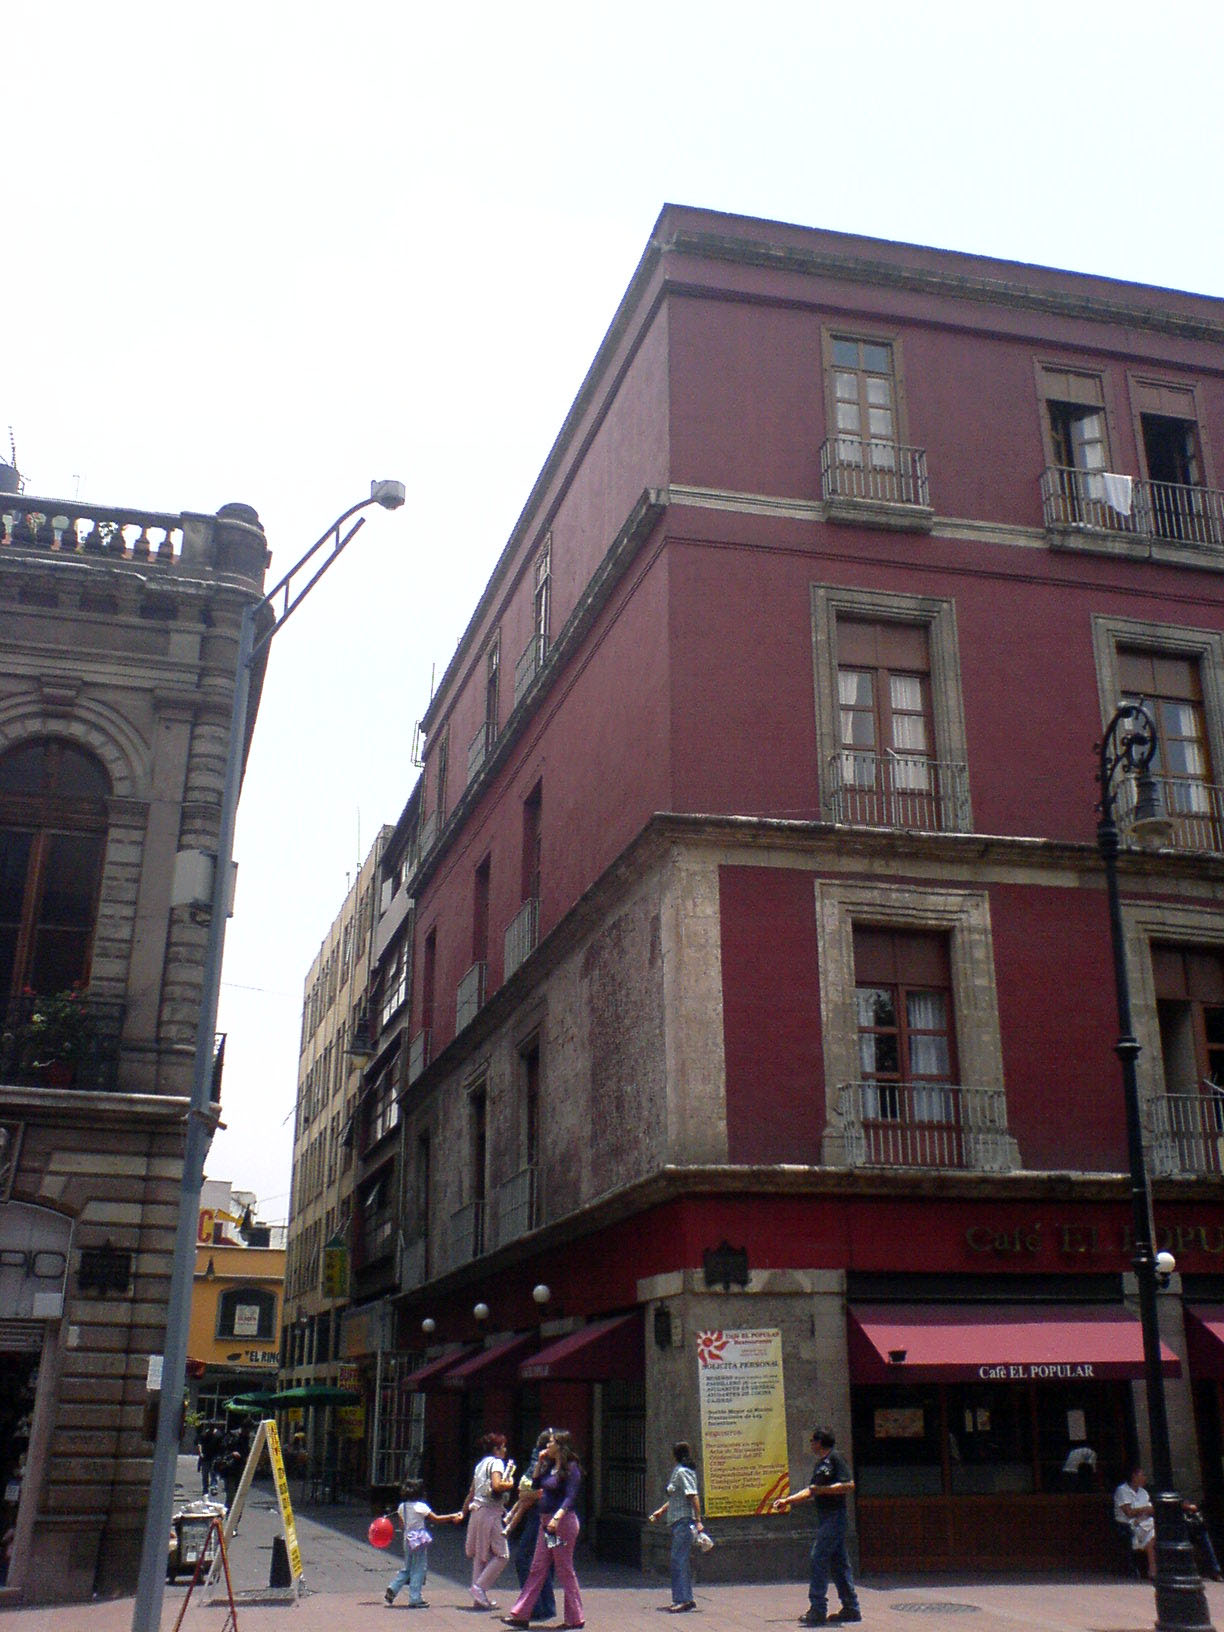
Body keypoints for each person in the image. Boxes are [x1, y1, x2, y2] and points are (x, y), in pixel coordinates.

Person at [771, 1426, 861, 1626]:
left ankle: (818, 1609)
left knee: (818, 1557)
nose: (810, 1443)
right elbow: (811, 1490)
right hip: (826, 1518)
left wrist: (825, 1489)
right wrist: (787, 1501)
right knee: (838, 1563)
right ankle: (851, 1607)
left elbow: (848, 1485)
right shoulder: (820, 1464)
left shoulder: (835, 1459)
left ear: (820, 1442)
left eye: (813, 1440)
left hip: (835, 1517)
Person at [500, 1429, 584, 1630]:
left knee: (564, 1569)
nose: (547, 1446)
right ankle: (521, 1614)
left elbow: (570, 1497)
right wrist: (539, 1463)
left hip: (561, 1525)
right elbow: (536, 1484)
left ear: (561, 1446)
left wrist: (557, 1517)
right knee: (537, 1567)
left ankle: (575, 1617)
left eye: (551, 1443)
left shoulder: (571, 1469)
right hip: (546, 1525)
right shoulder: (549, 1468)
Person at [503, 1430, 557, 1623]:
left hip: (543, 1518)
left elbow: (537, 1491)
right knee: (546, 1562)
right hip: (550, 1518)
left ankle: (535, 1606)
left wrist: (527, 1495)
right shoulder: (550, 1464)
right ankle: (545, 1606)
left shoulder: (551, 1465)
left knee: (524, 1558)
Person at [384, 1477, 462, 1608]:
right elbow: (436, 1519)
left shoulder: (402, 1507)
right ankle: (415, 1598)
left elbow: (402, 1525)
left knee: (408, 1568)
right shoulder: (421, 1507)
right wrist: (452, 1516)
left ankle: (393, 1587)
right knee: (419, 1568)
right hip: (418, 1540)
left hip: (407, 1539)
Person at [648, 1439, 705, 1613]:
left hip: (683, 1521)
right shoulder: (680, 1471)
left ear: (675, 1455)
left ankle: (682, 1599)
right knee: (681, 1560)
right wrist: (661, 1511)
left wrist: (698, 1519)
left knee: (677, 1560)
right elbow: (676, 1497)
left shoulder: (682, 1472)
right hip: (678, 1521)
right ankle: (685, 1598)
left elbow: (692, 1495)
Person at [462, 1432, 517, 1610]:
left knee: (480, 1554)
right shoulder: (497, 1463)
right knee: (502, 1554)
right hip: (491, 1512)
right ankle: (479, 1587)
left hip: (476, 1511)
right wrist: (509, 1483)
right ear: (496, 1449)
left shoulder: (480, 1465)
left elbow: (471, 1492)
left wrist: (462, 1512)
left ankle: (479, 1597)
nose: (505, 1450)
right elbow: (497, 1485)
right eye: (502, 1447)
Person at [1114, 1465, 1156, 1579]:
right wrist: (1144, 1510)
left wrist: (1144, 1511)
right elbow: (1129, 1512)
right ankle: (1152, 1569)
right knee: (1153, 1534)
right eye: (1142, 1475)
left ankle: (1152, 1569)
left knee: (1153, 1534)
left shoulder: (1143, 1492)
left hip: (1144, 1522)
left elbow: (1151, 1510)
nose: (1145, 1478)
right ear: (1134, 1476)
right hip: (1128, 1525)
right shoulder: (1122, 1490)